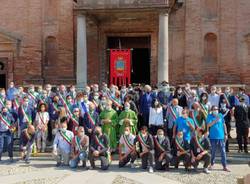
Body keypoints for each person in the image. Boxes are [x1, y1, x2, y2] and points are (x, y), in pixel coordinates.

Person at [206, 106, 230, 172]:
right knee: (213, 151)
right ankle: (212, 164)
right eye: (214, 109)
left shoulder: (220, 115)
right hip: (213, 137)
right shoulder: (209, 116)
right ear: (212, 110)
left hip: (221, 137)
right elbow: (209, 125)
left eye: (217, 109)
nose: (216, 110)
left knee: (223, 152)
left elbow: (224, 124)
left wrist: (226, 134)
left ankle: (224, 166)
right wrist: (215, 120)